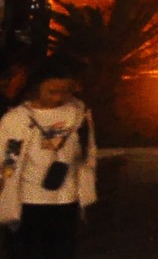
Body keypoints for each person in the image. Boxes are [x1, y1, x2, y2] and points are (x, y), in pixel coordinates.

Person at [0, 58, 97, 259]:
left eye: (66, 91)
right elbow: (8, 162)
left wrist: (85, 191)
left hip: (66, 199)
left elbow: (87, 150)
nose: (59, 98)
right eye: (52, 92)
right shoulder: (17, 119)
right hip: (29, 201)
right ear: (36, 88)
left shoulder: (78, 112)